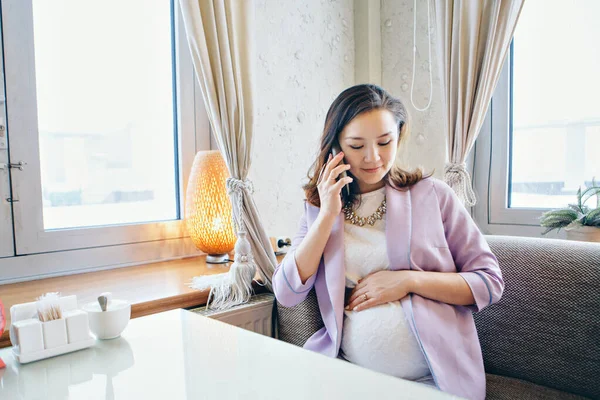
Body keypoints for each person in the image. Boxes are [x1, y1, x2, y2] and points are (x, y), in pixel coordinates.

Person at [272, 84, 504, 400]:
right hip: (349, 374)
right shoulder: (319, 209)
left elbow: (489, 282)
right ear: (335, 146)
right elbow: (286, 293)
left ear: (399, 135)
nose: (373, 157)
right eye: (356, 146)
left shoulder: (434, 196)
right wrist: (327, 214)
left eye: (385, 142)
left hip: (433, 379)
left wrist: (407, 281)